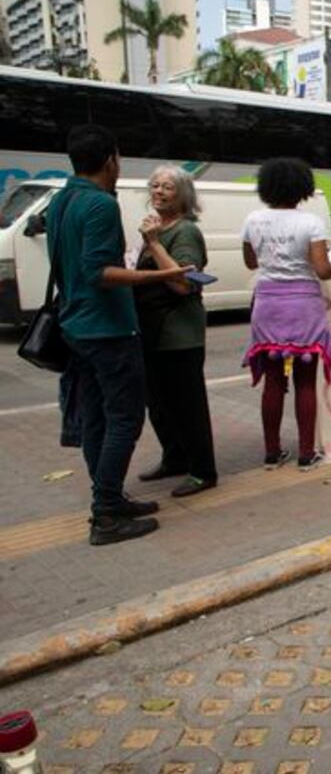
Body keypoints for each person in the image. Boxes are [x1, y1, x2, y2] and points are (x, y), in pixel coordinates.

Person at [50, 125, 191, 545]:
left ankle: (109, 497)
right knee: (124, 420)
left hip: (75, 325)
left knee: (95, 418)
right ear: (111, 159)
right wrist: (164, 274)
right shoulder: (99, 205)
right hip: (107, 328)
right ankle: (106, 513)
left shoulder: (61, 200)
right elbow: (101, 273)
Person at [241, 158, 331, 472]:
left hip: (267, 302)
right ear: (302, 187)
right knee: (305, 381)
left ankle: (272, 453)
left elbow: (250, 263)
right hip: (303, 303)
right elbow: (322, 269)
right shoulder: (310, 223)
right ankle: (305, 453)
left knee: (273, 381)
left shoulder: (253, 220)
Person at [133, 165, 217, 498]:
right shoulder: (156, 229)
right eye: (154, 185)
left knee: (187, 405)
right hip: (152, 331)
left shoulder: (184, 233)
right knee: (159, 403)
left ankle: (202, 470)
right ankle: (175, 457)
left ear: (182, 194)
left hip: (179, 334)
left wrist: (153, 243)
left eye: (167, 187)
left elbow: (183, 283)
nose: (158, 191)